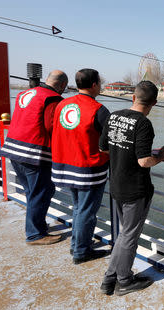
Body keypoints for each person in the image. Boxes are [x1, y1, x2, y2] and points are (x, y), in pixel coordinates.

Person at [99, 80, 164, 296]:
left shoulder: (113, 116)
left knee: (124, 234)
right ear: (154, 103)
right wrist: (162, 156)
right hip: (135, 189)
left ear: (133, 97)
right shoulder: (143, 124)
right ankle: (125, 281)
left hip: (116, 183)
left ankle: (109, 280)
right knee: (129, 235)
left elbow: (102, 148)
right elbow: (144, 161)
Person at [0, 70, 68, 245]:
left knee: (32, 192)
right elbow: (51, 126)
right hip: (33, 152)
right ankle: (35, 234)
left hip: (13, 149)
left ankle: (37, 226)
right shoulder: (53, 98)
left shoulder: (25, 93)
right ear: (62, 85)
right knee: (42, 192)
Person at [51, 68, 110, 264]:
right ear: (94, 85)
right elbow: (109, 142)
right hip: (88, 169)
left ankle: (76, 244)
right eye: (99, 83)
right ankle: (81, 252)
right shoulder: (99, 110)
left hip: (64, 166)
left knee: (78, 208)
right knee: (86, 211)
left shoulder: (62, 105)